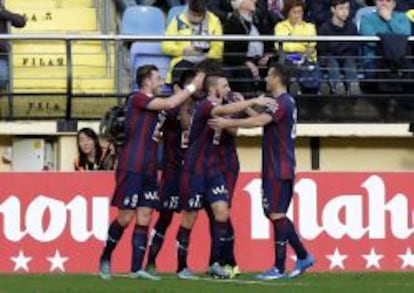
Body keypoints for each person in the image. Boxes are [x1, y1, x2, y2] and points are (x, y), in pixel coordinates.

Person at [208, 63, 314, 280]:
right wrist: (244, 106)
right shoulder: (283, 103)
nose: (265, 78)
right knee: (275, 214)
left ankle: (279, 266)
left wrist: (226, 121)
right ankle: (303, 256)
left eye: (268, 75)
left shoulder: (281, 103)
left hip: (278, 167)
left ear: (276, 78)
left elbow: (260, 121)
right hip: (278, 165)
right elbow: (265, 119)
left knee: (276, 214)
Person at [98, 65, 204, 281]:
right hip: (131, 166)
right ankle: (105, 258)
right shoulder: (137, 98)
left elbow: (179, 111)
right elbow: (171, 101)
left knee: (145, 216)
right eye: (157, 78)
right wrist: (194, 85)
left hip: (149, 169)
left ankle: (137, 268)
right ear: (146, 80)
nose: (161, 82)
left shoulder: (161, 106)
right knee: (125, 217)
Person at [175, 72, 275, 279]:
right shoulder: (206, 105)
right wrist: (255, 100)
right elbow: (223, 110)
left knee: (222, 213)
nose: (228, 89)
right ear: (214, 89)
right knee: (189, 218)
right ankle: (181, 266)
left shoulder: (222, 110)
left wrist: (239, 112)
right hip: (195, 170)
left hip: (213, 170)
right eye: (225, 85)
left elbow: (233, 125)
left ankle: (215, 263)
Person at [146, 69, 197, 272]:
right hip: (173, 171)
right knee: (165, 218)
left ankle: (182, 266)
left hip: (194, 172)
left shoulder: (202, 107)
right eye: (193, 83)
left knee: (190, 217)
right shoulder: (169, 109)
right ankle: (150, 262)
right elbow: (154, 132)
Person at [162, 0, 223, 85]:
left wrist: (206, 54)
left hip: (207, 59)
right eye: (193, 15)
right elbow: (165, 46)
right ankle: (181, 94)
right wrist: (183, 50)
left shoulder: (214, 21)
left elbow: (218, 48)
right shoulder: (177, 20)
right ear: (189, 10)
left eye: (199, 16)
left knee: (217, 73)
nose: (196, 18)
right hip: (185, 58)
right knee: (180, 71)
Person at [223, 0, 274, 94]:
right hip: (242, 61)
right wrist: (247, 62)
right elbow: (231, 52)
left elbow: (269, 38)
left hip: (262, 59)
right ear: (241, 4)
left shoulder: (258, 18)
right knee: (244, 71)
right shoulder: (232, 22)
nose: (255, 1)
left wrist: (268, 54)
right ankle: (250, 102)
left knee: (276, 66)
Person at [360, 0, 411, 92]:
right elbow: (370, 42)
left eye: (388, 0)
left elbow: (406, 35)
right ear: (375, 2)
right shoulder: (366, 18)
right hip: (374, 59)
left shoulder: (402, 17)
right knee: (372, 74)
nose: (384, 3)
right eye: (380, 0)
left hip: (399, 60)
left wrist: (389, 20)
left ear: (394, 4)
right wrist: (393, 40)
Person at [318, 0, 360, 95]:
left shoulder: (352, 27)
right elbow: (322, 50)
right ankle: (337, 86)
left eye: (347, 8)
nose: (345, 12)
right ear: (333, 9)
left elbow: (354, 48)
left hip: (347, 57)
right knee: (331, 60)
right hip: (330, 57)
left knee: (349, 60)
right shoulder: (324, 28)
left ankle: (353, 86)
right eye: (341, 8)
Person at [0, 3, 26, 89]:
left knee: (2, 78)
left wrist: (2, 13)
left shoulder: (3, 14)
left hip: (1, 53)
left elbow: (21, 22)